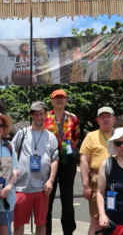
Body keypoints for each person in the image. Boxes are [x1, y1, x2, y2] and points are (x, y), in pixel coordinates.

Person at [12, 101, 59, 235]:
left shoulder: (51, 137)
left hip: (43, 188)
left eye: (41, 114)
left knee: (41, 223)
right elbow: (11, 153)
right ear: (31, 115)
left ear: (46, 115)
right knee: (18, 223)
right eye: (36, 114)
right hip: (22, 187)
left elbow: (55, 159)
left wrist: (51, 180)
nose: (39, 117)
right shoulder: (22, 133)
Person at [44, 89, 80, 235]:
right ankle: (46, 231)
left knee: (67, 199)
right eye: (56, 98)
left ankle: (68, 232)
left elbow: (76, 138)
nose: (59, 100)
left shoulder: (73, 117)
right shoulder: (45, 117)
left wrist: (67, 150)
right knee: (48, 198)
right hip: (49, 161)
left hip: (67, 160)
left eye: (62, 98)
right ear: (51, 101)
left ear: (66, 100)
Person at [79, 107, 116, 235]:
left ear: (114, 119)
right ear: (98, 120)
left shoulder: (121, 136)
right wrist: (85, 185)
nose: (106, 119)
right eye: (102, 117)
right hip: (97, 178)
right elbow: (84, 161)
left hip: (118, 178)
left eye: (108, 116)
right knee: (96, 219)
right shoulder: (91, 136)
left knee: (117, 217)